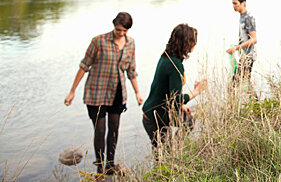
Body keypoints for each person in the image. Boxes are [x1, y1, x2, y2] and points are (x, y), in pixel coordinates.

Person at [64, 12, 144, 175]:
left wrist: (137, 92)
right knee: (100, 130)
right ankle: (100, 168)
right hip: (96, 93)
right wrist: (72, 91)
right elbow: (84, 65)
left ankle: (110, 165)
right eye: (118, 29)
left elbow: (131, 70)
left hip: (117, 93)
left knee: (114, 128)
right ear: (114, 25)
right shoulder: (98, 41)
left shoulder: (131, 44)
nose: (121, 33)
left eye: (124, 31)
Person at [142, 23, 208, 148]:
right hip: (155, 118)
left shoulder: (166, 57)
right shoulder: (175, 64)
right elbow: (175, 99)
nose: (195, 43)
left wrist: (181, 105)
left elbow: (168, 92)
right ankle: (175, 149)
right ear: (187, 43)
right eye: (194, 41)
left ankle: (175, 149)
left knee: (188, 121)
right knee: (164, 157)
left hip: (155, 113)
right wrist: (197, 91)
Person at [226, 0, 257, 85]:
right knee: (246, 83)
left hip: (248, 57)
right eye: (232, 3)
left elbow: (254, 39)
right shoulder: (242, 17)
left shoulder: (248, 18)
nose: (233, 6)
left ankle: (255, 99)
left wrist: (236, 48)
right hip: (244, 56)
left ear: (243, 3)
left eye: (235, 3)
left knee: (233, 85)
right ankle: (255, 99)